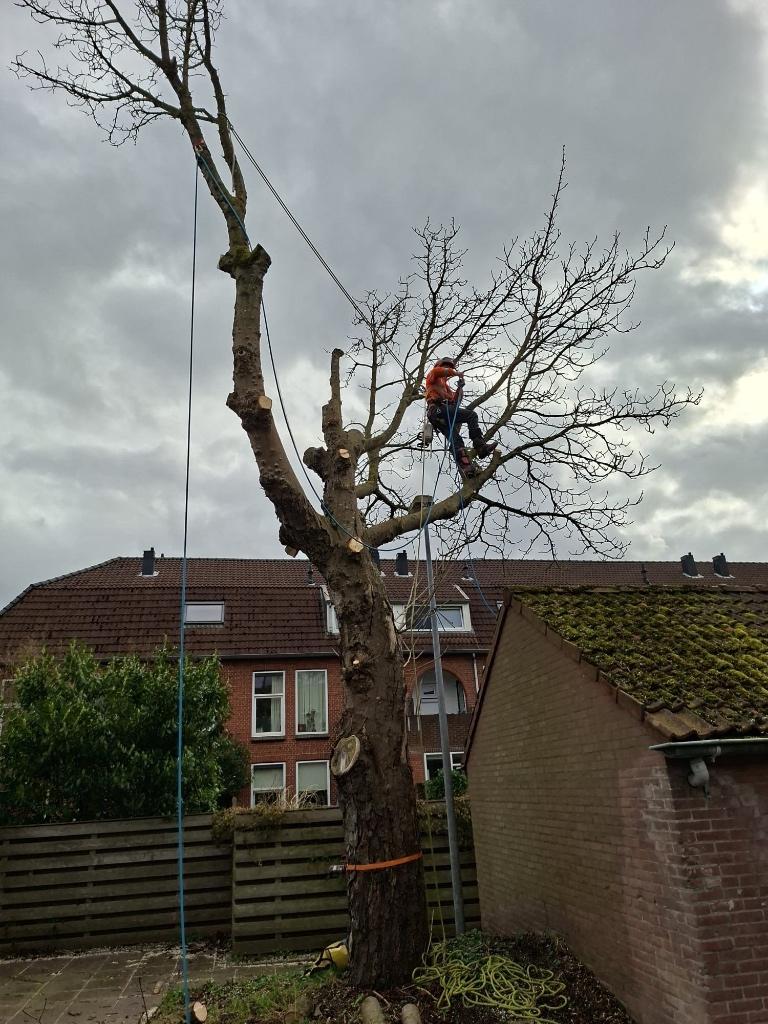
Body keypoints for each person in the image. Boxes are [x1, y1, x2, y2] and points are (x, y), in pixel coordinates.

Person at [424, 357, 497, 474]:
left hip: (442, 416)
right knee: (471, 416)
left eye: (450, 368)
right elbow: (438, 372)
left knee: (456, 440)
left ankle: (467, 469)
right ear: (440, 365)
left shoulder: (445, 387)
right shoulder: (432, 376)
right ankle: (480, 446)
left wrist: (460, 388)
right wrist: (456, 373)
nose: (448, 370)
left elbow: (455, 401)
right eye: (446, 367)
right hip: (438, 410)